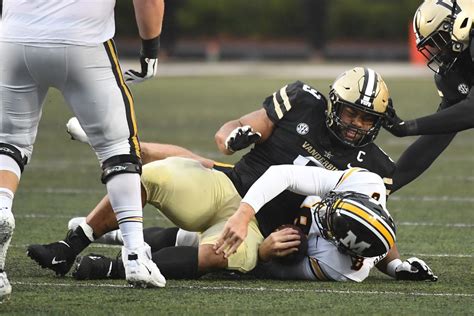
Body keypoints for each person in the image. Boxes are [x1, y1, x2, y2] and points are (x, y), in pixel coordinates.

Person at [27, 67, 402, 278]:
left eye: (366, 117)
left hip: (263, 231)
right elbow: (235, 127)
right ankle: (70, 245)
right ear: (335, 104)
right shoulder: (304, 101)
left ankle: (109, 269)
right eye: (351, 111)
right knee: (151, 176)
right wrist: (232, 135)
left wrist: (396, 263)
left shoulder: (374, 166)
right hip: (229, 186)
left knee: (214, 256)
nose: (356, 123)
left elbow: (374, 222)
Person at [0, 0, 166, 298]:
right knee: (119, 147)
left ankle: (1, 209)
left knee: (8, 142)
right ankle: (134, 256)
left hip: (14, 37)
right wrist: (150, 53)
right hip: (83, 40)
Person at [71, 166, 437, 282]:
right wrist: (398, 265)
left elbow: (272, 271)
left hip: (279, 244)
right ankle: (117, 231)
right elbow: (282, 174)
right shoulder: (367, 185)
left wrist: (264, 255)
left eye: (329, 223)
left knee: (222, 252)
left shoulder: (340, 268)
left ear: (339, 246)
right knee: (191, 229)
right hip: (263, 206)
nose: (323, 212)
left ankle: (115, 267)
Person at [384, 0, 474, 138]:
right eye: (433, 45)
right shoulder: (455, 73)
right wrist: (402, 130)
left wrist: (409, 127)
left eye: (439, 40)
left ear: (461, 22)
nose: (440, 52)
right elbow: (436, 136)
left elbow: (471, 111)